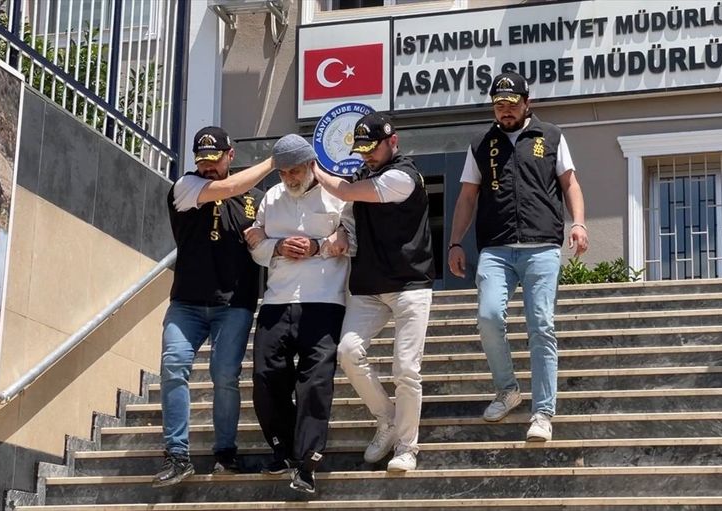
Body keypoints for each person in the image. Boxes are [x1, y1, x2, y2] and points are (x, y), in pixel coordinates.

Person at [447, 72, 588, 441]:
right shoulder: (481, 143)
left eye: (511, 104)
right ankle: (507, 389)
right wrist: (455, 242)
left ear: (528, 103)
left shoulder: (551, 136)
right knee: (488, 316)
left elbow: (570, 183)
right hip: (496, 248)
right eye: (499, 105)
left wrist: (579, 223)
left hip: (542, 247)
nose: (505, 111)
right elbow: (467, 196)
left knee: (541, 325)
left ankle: (543, 412)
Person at [152, 126, 275, 488]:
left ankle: (225, 453)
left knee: (224, 375)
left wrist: (261, 238)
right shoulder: (185, 186)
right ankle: (177, 455)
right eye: (201, 160)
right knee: (173, 365)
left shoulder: (256, 200)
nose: (207, 167)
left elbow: (269, 241)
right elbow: (229, 187)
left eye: (214, 160)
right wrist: (273, 161)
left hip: (234, 303)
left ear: (230, 156)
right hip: (187, 303)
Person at [312, 112, 434, 472]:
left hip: (410, 285)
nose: (366, 155)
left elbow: (346, 193)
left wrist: (314, 169)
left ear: (392, 142)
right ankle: (387, 419)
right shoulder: (362, 175)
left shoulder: (403, 176)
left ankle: (407, 447)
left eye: (372, 148)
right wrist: (340, 233)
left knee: (406, 370)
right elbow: (349, 215)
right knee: (348, 352)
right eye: (361, 150)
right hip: (368, 287)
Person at [244, 134, 352, 494]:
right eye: (283, 172)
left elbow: (349, 242)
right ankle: (285, 448)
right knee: (265, 377)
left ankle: (307, 462)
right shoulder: (271, 198)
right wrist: (277, 247)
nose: (289, 178)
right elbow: (256, 246)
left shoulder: (338, 194)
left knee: (315, 383)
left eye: (295, 171)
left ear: (311, 165)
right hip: (276, 301)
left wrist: (317, 246)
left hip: (325, 300)